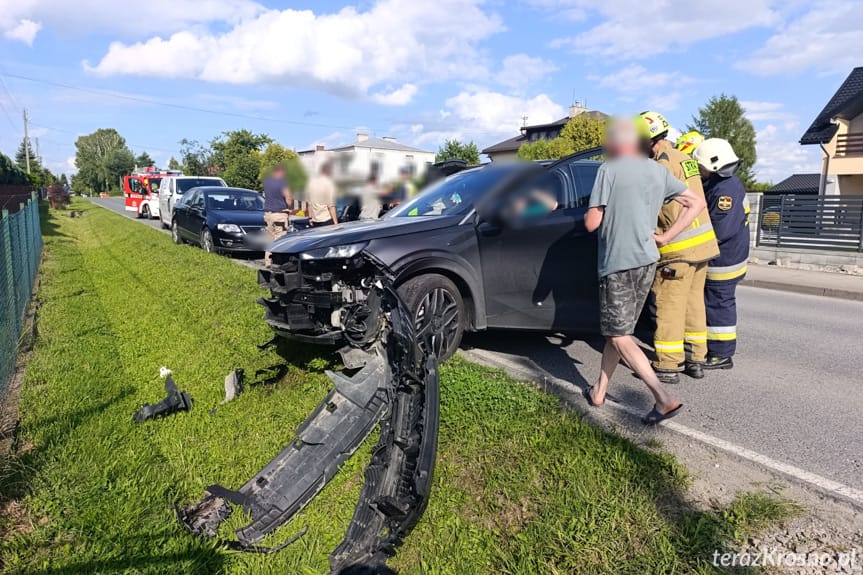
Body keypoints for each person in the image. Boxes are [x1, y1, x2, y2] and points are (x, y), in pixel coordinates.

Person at [583, 118, 706, 424]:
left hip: (617, 262)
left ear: (614, 143)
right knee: (619, 331)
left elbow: (591, 223)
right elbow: (696, 203)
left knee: (618, 333)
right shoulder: (656, 170)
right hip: (647, 261)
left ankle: (663, 399)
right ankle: (599, 390)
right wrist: (666, 237)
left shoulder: (607, 170)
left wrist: (596, 207)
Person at [637, 111, 719, 384]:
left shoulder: (659, 166)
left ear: (647, 140)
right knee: (694, 303)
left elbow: (648, 205)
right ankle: (696, 358)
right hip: (703, 246)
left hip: (677, 249)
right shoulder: (686, 160)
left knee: (669, 305)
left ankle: (668, 364)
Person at [693, 138, 751, 370]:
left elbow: (718, 232)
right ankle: (715, 348)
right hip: (730, 256)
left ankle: (721, 354)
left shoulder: (725, 192)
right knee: (717, 302)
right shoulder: (725, 184)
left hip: (724, 260)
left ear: (714, 165)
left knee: (719, 304)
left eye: (702, 166)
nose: (700, 170)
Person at [262, 163, 293, 267]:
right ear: (281, 172)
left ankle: (268, 261)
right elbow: (288, 196)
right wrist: (289, 207)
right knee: (280, 238)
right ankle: (279, 262)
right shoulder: (282, 182)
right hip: (279, 213)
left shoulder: (267, 181)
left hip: (268, 214)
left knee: (269, 237)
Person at [307, 161, 338, 227]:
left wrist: (310, 218)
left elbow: (309, 204)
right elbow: (331, 206)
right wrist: (336, 223)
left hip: (315, 221)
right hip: (326, 220)